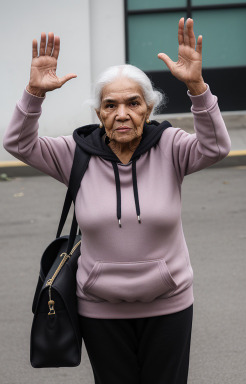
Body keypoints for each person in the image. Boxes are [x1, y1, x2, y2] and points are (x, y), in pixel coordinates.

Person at [3, 18, 231, 384]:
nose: (122, 113)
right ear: (99, 113)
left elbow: (217, 147)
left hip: (169, 306)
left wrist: (197, 88)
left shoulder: (171, 148)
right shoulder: (74, 153)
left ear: (149, 109)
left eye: (133, 103)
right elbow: (18, 144)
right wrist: (34, 93)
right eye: (110, 105)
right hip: (100, 311)